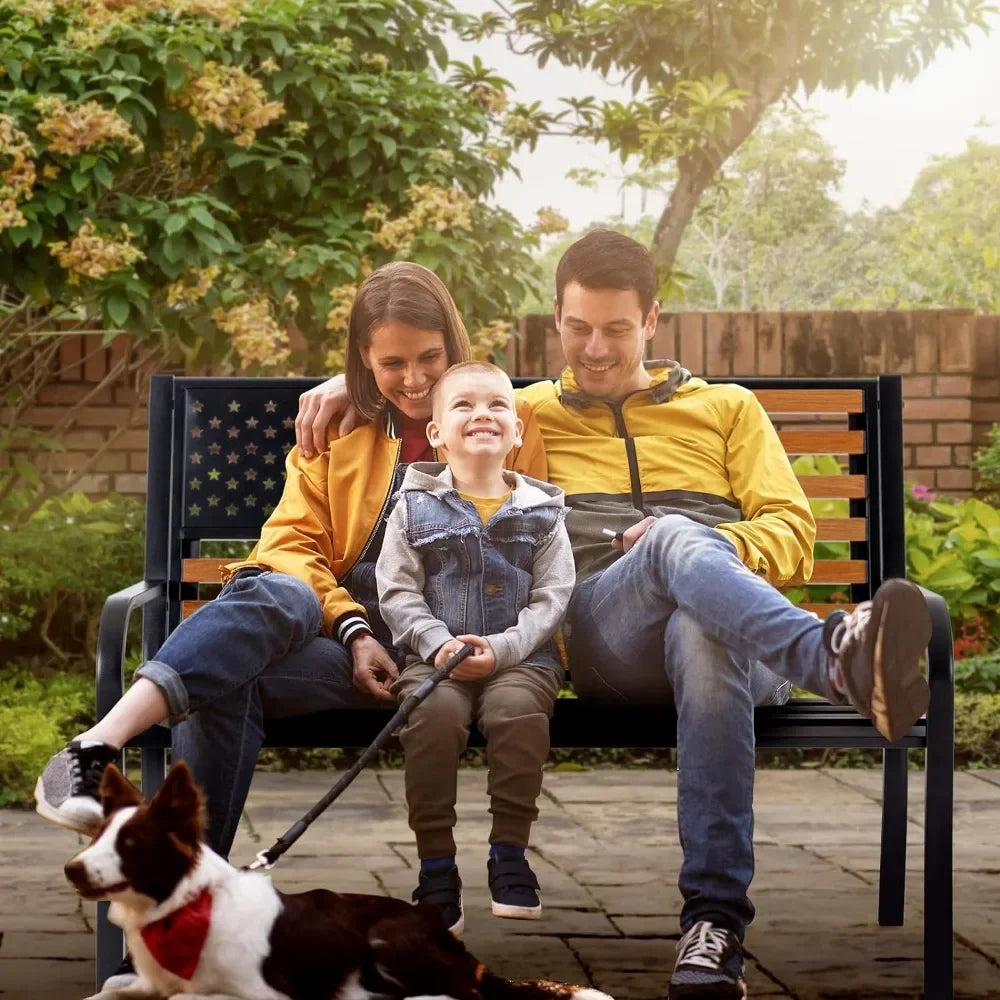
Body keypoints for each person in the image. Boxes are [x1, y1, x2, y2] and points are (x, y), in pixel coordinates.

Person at [294, 230, 933, 1000]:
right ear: (555, 320)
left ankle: (714, 922)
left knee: (701, 622)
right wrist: (346, 384)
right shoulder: (523, 410)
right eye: (577, 328)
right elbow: (433, 393)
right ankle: (833, 660)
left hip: (737, 640)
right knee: (672, 552)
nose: (595, 349)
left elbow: (793, 535)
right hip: (609, 635)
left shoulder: (727, 410)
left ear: (653, 320)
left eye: (617, 329)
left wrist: (700, 541)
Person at [34, 262, 548, 870]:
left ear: (453, 347)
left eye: (430, 359)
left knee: (230, 670)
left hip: (445, 653)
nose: (412, 380)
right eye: (390, 364)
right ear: (364, 359)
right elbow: (289, 545)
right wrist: (354, 631)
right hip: (352, 646)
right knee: (274, 607)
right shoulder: (339, 434)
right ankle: (100, 758)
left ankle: (179, 902)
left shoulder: (509, 419)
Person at [375, 360, 573, 936]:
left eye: (496, 405)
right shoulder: (413, 508)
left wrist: (506, 648)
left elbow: (553, 597)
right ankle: (436, 865)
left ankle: (508, 852)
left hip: (520, 659)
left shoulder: (544, 511)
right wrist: (436, 645)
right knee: (431, 715)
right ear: (435, 433)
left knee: (516, 713)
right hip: (433, 659)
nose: (481, 414)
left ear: (516, 432)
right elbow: (397, 590)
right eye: (462, 405)